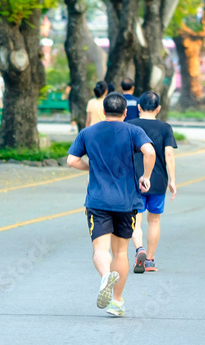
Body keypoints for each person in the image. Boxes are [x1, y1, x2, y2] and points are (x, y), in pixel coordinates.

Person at [66, 93, 156, 317]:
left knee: (100, 249)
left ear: (103, 111)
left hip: (97, 200)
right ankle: (116, 301)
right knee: (121, 252)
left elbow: (71, 160)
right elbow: (150, 151)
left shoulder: (88, 132)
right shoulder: (133, 130)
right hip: (126, 202)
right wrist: (146, 176)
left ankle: (105, 276)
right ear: (126, 112)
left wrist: (90, 168)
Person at [127, 91, 178, 273]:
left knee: (136, 218)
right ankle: (149, 260)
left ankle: (139, 249)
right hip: (158, 181)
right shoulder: (165, 128)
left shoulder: (130, 126)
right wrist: (172, 180)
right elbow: (169, 154)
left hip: (135, 180)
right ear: (158, 108)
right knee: (154, 220)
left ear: (139, 107)